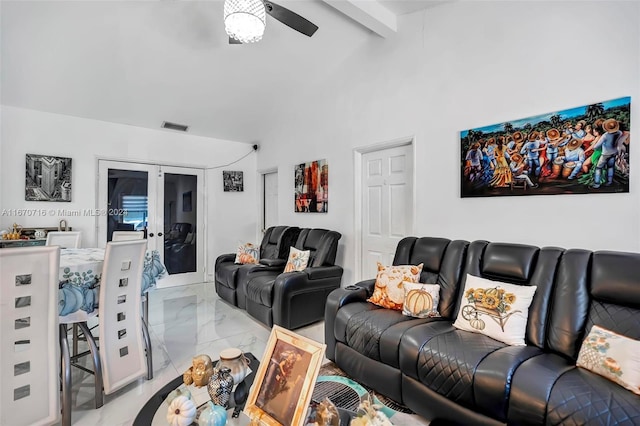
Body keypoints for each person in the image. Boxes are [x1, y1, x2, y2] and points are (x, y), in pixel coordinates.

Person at [589, 118, 625, 188]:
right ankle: (609, 182)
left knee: (598, 168)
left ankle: (597, 184)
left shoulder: (605, 135)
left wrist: (593, 147)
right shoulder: (619, 132)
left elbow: (597, 145)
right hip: (614, 152)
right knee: (610, 167)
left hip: (605, 154)